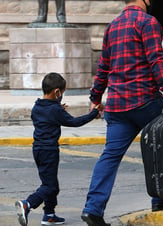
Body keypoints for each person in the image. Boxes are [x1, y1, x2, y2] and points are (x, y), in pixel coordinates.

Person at [81, 0, 163, 226]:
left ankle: (93, 209)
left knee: (110, 155)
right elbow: (156, 60)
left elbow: (103, 68)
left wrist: (95, 99)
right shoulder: (147, 22)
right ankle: (162, 197)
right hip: (144, 101)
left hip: (117, 105)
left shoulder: (112, 26)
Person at [15, 73, 102, 226]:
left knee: (49, 183)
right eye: (62, 92)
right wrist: (94, 113)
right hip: (49, 151)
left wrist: (58, 107)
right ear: (57, 92)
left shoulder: (38, 106)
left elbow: (48, 114)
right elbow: (74, 122)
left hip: (38, 150)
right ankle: (27, 203)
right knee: (50, 186)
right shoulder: (55, 110)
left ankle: (49, 215)